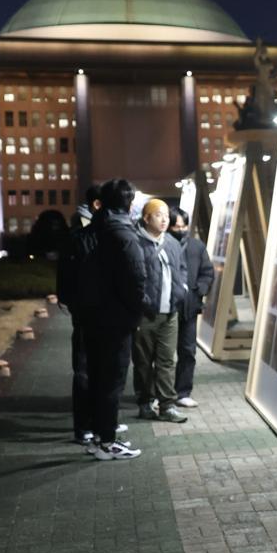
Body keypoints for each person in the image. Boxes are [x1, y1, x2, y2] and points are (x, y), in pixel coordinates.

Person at [75, 178, 146, 461]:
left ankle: (97, 437)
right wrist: (136, 314)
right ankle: (108, 442)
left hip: (94, 317)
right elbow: (136, 281)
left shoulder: (97, 230)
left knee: (98, 379)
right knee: (112, 382)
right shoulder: (124, 235)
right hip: (115, 321)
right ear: (129, 203)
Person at [56, 184, 116, 445]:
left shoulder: (103, 233)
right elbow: (68, 276)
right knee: (84, 371)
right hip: (87, 314)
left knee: (103, 370)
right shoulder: (81, 236)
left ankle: (102, 422)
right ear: (98, 206)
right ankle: (84, 427)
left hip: (99, 313)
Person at [132, 198, 189, 423]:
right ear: (146, 218)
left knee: (167, 361)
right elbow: (132, 277)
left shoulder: (172, 243)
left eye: (166, 215)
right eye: (158, 215)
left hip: (170, 313)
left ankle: (167, 405)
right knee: (143, 362)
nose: (165, 219)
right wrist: (142, 301)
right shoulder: (135, 243)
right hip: (145, 314)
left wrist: (181, 290)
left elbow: (182, 269)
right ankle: (144, 402)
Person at [169, 206, 214, 408]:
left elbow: (207, 271)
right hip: (166, 308)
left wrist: (199, 290)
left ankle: (183, 392)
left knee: (188, 351)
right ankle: (157, 394)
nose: (180, 229)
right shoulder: (163, 245)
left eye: (183, 225)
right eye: (176, 226)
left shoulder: (196, 246)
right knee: (162, 355)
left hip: (189, 306)